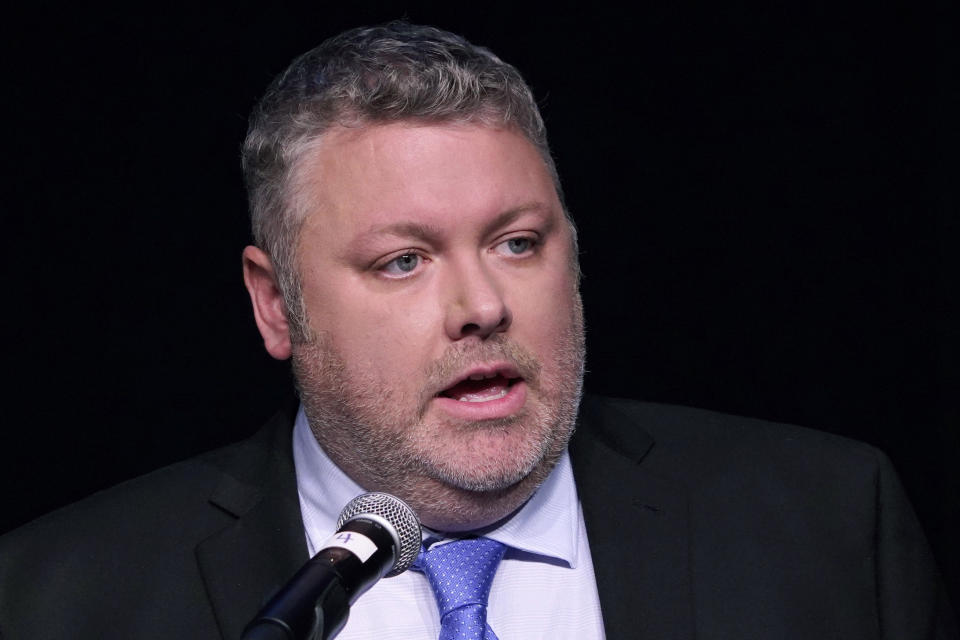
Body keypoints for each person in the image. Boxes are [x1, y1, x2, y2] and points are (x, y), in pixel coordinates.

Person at [0, 21, 955, 640]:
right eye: (403, 260)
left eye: (516, 242)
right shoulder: (58, 597)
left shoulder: (829, 527)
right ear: (276, 304)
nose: (482, 306)